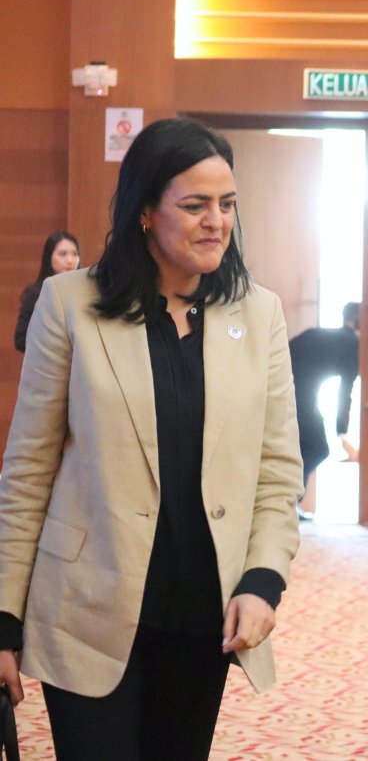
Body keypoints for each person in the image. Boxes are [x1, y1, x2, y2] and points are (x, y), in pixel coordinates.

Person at [0, 117, 303, 760]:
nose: (215, 221)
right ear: (145, 212)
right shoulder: (69, 305)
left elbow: (277, 472)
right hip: (88, 609)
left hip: (203, 617)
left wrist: (262, 580)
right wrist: (2, 617)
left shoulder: (259, 312)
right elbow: (27, 471)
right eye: (194, 206)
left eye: (226, 205)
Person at [289, 301, 361, 510]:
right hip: (295, 393)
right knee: (317, 448)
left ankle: (290, 503)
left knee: (307, 448)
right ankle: (289, 504)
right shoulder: (352, 344)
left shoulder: (322, 334)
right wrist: (342, 433)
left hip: (290, 390)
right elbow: (345, 391)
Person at [13, 230, 80, 352]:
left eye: (75, 254)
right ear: (49, 257)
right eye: (63, 254)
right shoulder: (35, 294)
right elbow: (21, 340)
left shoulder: (85, 293)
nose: (70, 260)